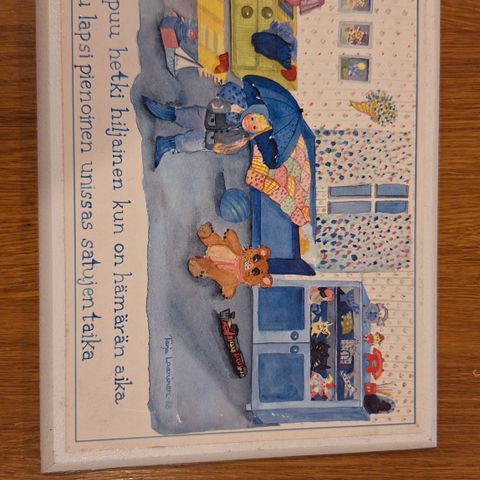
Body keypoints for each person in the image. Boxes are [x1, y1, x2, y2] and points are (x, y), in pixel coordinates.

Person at [143, 95, 272, 168]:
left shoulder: (241, 138)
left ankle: (166, 143)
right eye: (252, 118)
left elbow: (226, 149)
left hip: (207, 139)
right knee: (185, 116)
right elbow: (213, 104)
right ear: (250, 112)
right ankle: (165, 112)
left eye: (254, 127)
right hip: (204, 117)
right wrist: (228, 107)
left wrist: (228, 144)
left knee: (187, 143)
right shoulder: (236, 106)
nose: (250, 123)